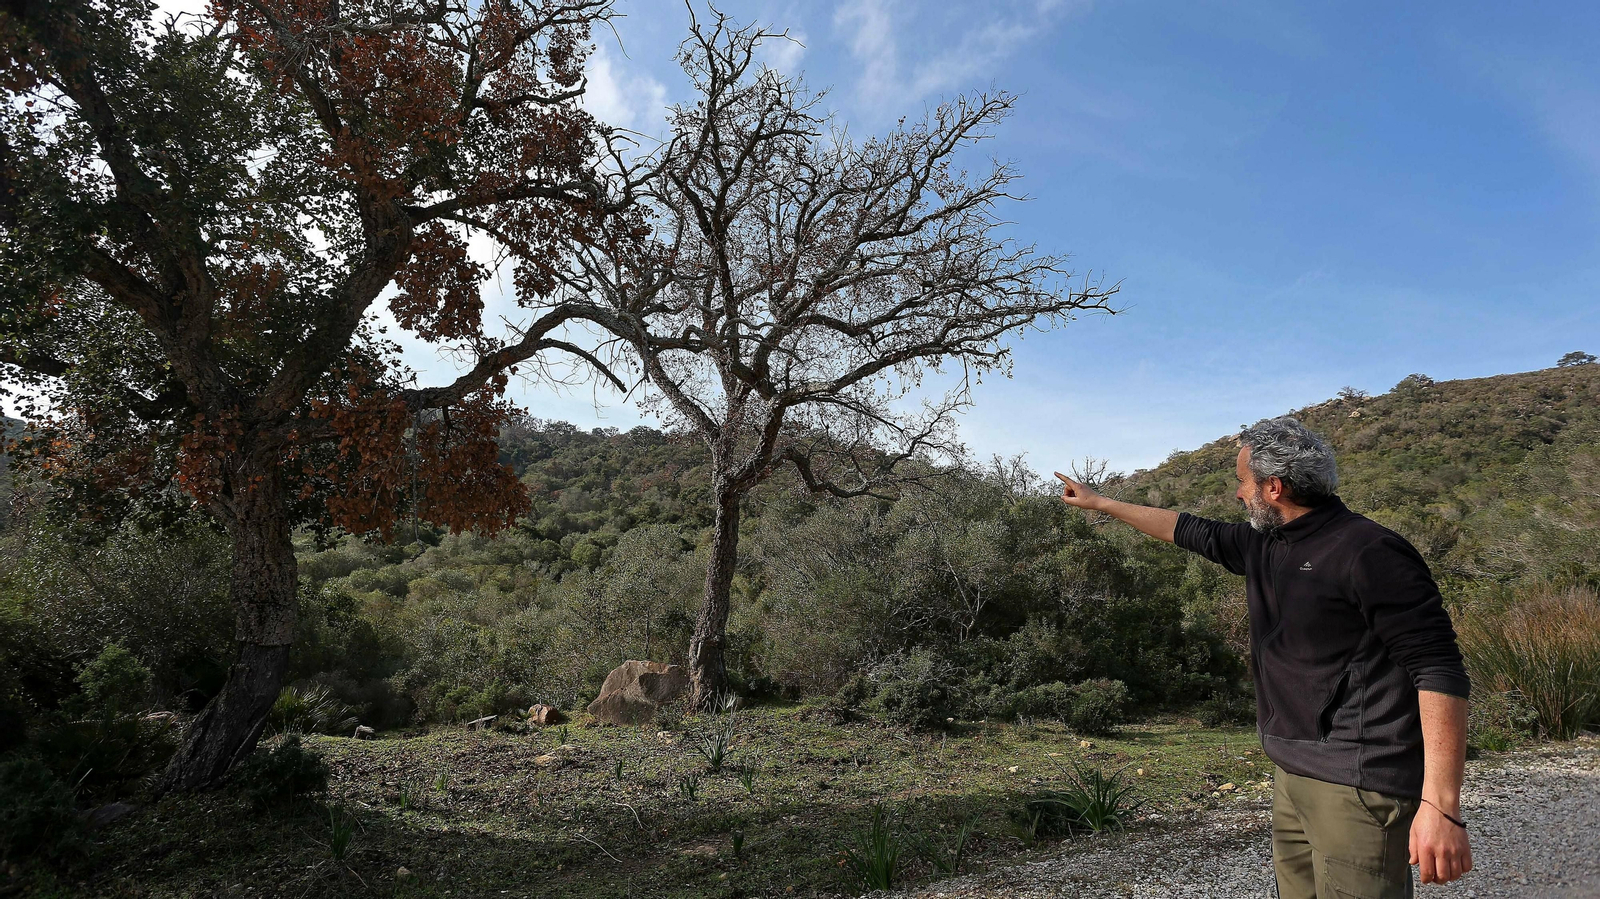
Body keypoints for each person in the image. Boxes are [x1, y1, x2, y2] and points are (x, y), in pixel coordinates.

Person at [1055, 417, 1472, 899]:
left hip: (1359, 784)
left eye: (1242, 481)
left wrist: (1440, 807)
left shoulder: (1369, 551)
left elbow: (1438, 669)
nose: (1237, 494)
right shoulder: (1265, 542)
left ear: (1273, 486)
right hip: (1292, 773)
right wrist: (1100, 502)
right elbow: (1187, 529)